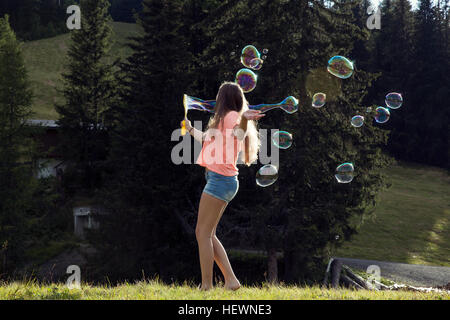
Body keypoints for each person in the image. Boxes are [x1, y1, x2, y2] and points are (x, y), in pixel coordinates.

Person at [181, 82, 264, 291]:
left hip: (220, 180)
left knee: (202, 233)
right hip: (221, 180)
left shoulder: (231, 117)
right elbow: (206, 140)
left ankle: (206, 286)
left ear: (224, 98)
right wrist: (189, 129)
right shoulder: (222, 120)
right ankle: (231, 280)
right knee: (208, 234)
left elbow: (239, 134)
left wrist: (244, 119)